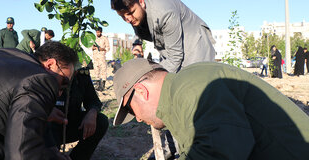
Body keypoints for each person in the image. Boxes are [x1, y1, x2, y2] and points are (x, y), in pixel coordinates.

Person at [113, 58, 309, 160]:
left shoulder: (190, 84)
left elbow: (221, 150)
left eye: (130, 110)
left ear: (141, 91)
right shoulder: (178, 98)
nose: (137, 118)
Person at [0, 41, 77, 159]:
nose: (60, 92)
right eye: (63, 83)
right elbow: (22, 154)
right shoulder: (41, 79)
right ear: (50, 64)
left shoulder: (3, 54)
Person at [111, 0, 215, 73]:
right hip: (171, 49)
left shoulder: (164, 13)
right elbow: (138, 24)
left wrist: (149, 77)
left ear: (141, 2)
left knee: (193, 88)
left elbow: (174, 59)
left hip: (194, 45)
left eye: (130, 13)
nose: (128, 20)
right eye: (122, 16)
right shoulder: (133, 7)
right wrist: (137, 43)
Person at [47, 67, 109, 160]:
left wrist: (92, 112)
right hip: (48, 129)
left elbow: (93, 100)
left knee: (101, 121)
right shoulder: (47, 71)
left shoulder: (81, 74)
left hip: (71, 124)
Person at [92, 27, 110, 91]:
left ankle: (103, 86)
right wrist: (93, 47)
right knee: (96, 71)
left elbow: (108, 48)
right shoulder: (93, 38)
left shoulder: (104, 38)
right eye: (96, 32)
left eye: (99, 32)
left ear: (101, 32)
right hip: (95, 57)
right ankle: (97, 86)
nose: (97, 33)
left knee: (103, 71)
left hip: (102, 57)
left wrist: (102, 49)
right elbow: (90, 46)